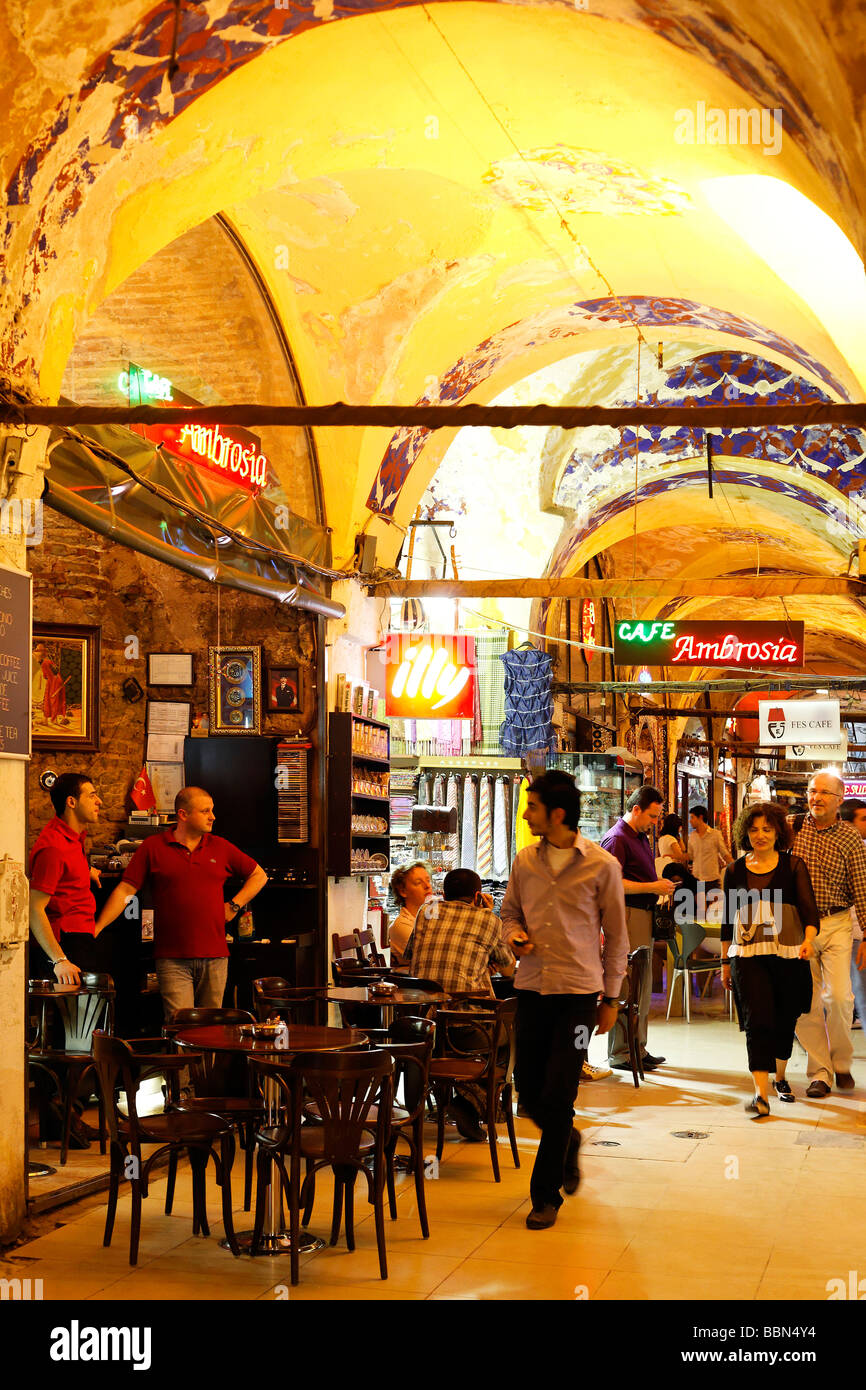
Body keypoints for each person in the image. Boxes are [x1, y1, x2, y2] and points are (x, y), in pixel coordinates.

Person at [500, 770, 628, 1230]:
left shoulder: (601, 866)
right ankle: (567, 1140)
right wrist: (513, 934)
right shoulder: (524, 862)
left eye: (531, 806)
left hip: (577, 995)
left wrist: (611, 998)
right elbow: (509, 912)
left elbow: (616, 935)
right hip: (531, 989)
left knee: (560, 1090)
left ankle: (544, 1195)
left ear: (557, 813)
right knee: (530, 1094)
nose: (526, 813)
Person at [94, 786, 268, 1019]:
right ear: (183, 815)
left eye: (212, 810)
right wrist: (98, 926)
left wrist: (234, 905)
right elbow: (126, 890)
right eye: (205, 811)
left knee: (213, 1030)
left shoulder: (220, 846)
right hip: (171, 958)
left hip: (215, 956)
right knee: (179, 1026)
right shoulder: (152, 847)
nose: (213, 816)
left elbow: (259, 875)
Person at [720, 801, 818, 1116]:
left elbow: (809, 912)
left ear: (778, 832)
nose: (760, 835)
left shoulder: (794, 867)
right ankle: (760, 1095)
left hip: (788, 953)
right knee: (757, 1020)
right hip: (747, 956)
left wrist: (808, 940)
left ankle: (780, 1077)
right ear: (744, 833)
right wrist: (725, 962)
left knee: (784, 1018)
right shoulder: (734, 871)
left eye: (766, 829)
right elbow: (727, 919)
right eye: (753, 829)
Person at [407, 867, 515, 1141]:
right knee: (511, 1038)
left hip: (422, 1026)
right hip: (463, 1030)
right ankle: (471, 1103)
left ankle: (462, 1100)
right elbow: (509, 970)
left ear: (443, 894)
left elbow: (410, 955)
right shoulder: (488, 920)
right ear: (478, 895)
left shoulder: (425, 913)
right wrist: (487, 915)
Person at [792, 771, 866, 1095]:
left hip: (836, 923)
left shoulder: (850, 838)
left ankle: (841, 1062)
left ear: (838, 800)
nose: (816, 797)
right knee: (804, 1002)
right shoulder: (792, 828)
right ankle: (819, 1073)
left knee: (838, 997)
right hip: (797, 925)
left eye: (824, 793)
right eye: (812, 791)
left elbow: (862, 890)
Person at [601, 785, 673, 1073]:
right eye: (653, 816)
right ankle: (621, 1052)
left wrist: (657, 888)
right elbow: (612, 883)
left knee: (642, 986)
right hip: (627, 916)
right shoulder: (617, 839)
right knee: (627, 984)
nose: (655, 823)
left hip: (643, 914)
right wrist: (652, 886)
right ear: (636, 810)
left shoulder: (640, 837)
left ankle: (637, 1047)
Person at [28, 772, 106, 985]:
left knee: (87, 1014)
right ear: (71, 802)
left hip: (80, 936)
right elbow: (34, 907)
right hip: (66, 942)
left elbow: (64, 871)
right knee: (79, 1017)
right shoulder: (54, 847)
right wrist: (59, 960)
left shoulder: (71, 837)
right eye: (91, 795)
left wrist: (85, 870)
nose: (99, 801)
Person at [837, 798, 866, 1032]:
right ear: (847, 823)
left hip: (857, 932)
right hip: (845, 930)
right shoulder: (838, 851)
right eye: (863, 819)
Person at [687, 805, 733, 913]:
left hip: (712, 880)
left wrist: (735, 866)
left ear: (700, 817)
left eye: (692, 817)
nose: (690, 821)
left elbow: (725, 854)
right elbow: (690, 855)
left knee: (714, 913)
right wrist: (674, 855)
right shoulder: (692, 836)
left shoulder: (715, 835)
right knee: (700, 913)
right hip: (697, 879)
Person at [387, 861, 433, 964]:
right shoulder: (400, 926)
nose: (427, 886)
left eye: (428, 880)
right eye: (418, 883)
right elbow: (432, 956)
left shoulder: (429, 916)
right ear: (403, 891)